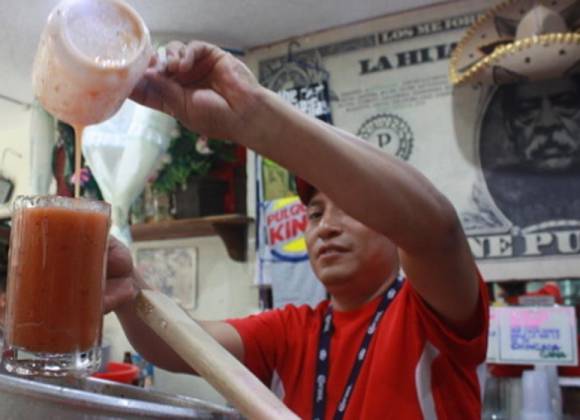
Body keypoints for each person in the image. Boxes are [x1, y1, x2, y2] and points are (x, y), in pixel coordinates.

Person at [105, 40, 488, 419]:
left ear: (391, 224)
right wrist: (126, 284)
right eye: (316, 213)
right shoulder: (293, 331)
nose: (327, 227)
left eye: (350, 209)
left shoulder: (430, 314)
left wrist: (252, 114)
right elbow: (179, 343)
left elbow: (438, 231)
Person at [481, 76, 580, 228]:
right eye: (527, 110)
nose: (547, 122)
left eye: (566, 104)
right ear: (510, 126)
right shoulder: (485, 200)